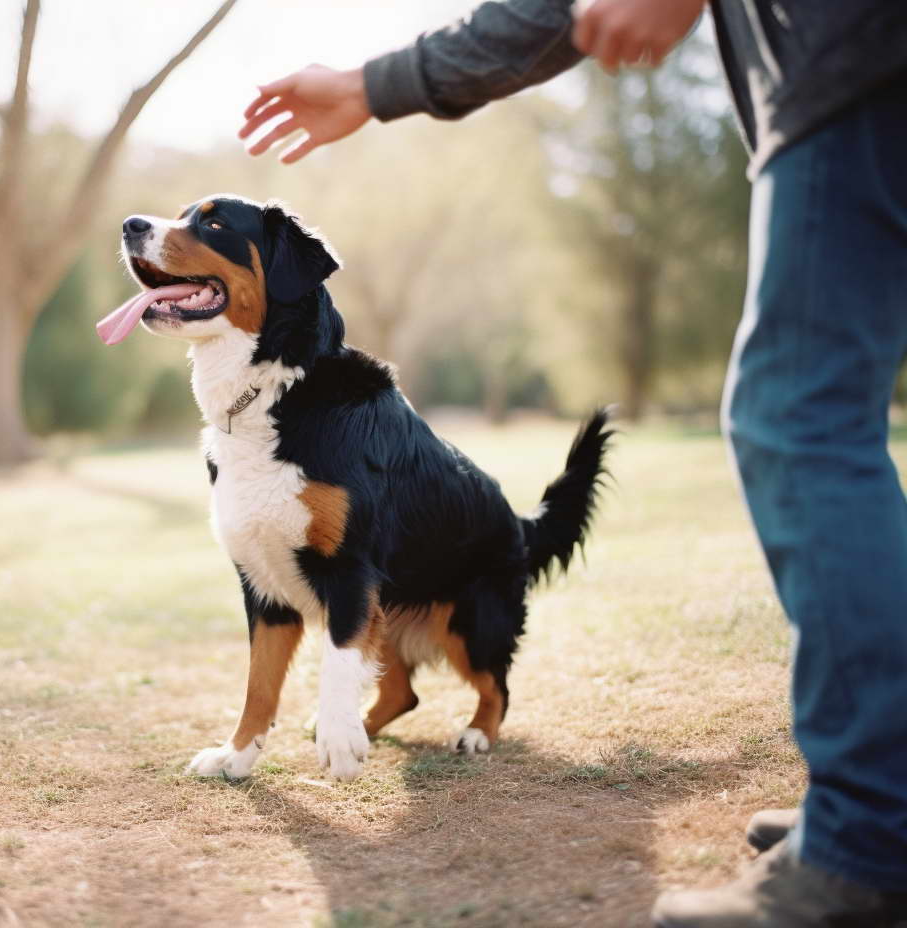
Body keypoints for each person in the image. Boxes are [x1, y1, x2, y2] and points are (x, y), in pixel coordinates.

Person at [238, 1, 907, 925]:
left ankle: (871, 833)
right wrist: (372, 85)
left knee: (798, 419)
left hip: (857, 71)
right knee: (811, 416)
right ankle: (879, 803)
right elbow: (565, 12)